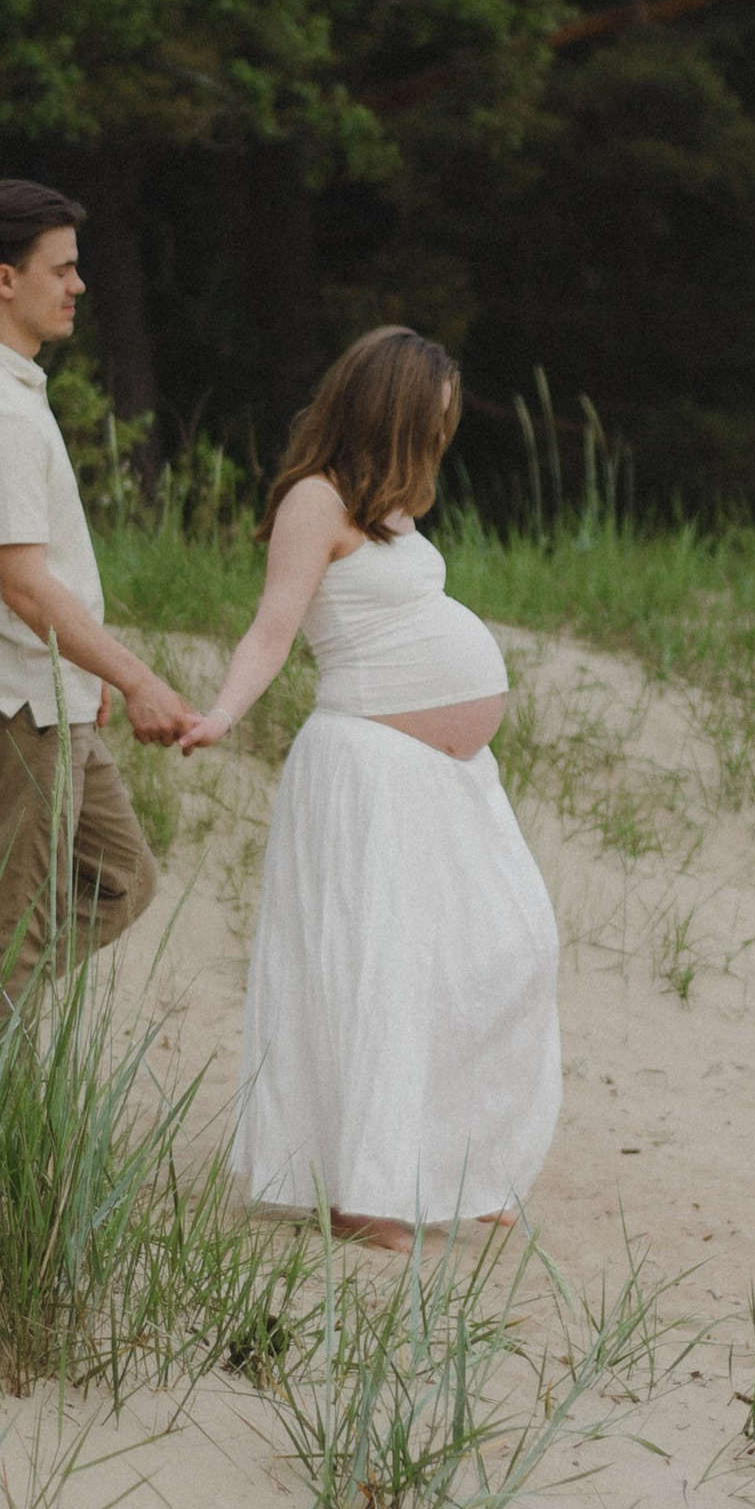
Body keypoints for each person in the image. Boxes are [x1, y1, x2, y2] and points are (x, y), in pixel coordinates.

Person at [180, 325, 561, 1247]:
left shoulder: (391, 508)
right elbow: (274, 629)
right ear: (389, 407)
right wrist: (225, 713)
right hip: (366, 765)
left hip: (443, 773)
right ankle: (368, 1189)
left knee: (503, 948)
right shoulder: (317, 500)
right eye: (432, 417)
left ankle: (453, 1163)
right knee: (381, 974)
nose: (442, 435)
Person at [0, 179, 195, 1008]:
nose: (78, 284)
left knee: (123, 881)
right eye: (62, 268)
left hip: (46, 694)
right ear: (5, 279)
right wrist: (138, 677)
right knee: (22, 924)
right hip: (17, 707)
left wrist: (85, 673)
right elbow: (26, 587)